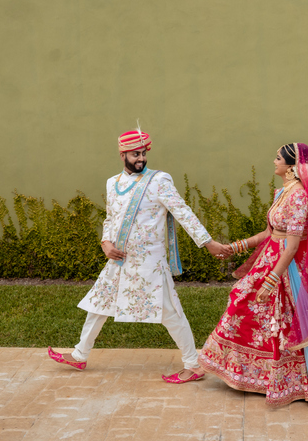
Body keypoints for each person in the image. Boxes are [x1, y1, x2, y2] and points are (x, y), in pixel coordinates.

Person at [48, 126, 231, 383]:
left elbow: (183, 212)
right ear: (122, 154)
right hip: (119, 260)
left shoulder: (158, 181)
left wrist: (207, 242)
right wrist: (106, 243)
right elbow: (110, 217)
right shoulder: (113, 183)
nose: (141, 159)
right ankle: (80, 355)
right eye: (135, 154)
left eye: (144, 153)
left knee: (170, 312)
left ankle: (193, 364)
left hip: (149, 263)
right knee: (99, 304)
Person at [199, 143, 308, 406]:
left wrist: (273, 278)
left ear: (290, 166)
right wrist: (235, 247)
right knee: (243, 302)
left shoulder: (298, 196)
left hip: (287, 267)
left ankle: (291, 378)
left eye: (278, 157)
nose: (273, 161)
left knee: (281, 319)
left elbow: (294, 244)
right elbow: (268, 234)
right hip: (270, 257)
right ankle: (254, 372)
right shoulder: (283, 192)